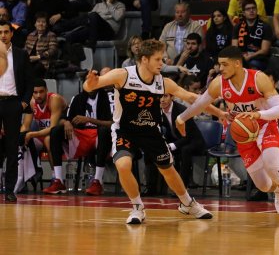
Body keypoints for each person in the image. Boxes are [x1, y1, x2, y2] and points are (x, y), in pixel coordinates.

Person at [83, 39, 222, 224]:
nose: (162, 63)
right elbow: (91, 86)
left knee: (168, 169)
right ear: (144, 59)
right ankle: (137, 207)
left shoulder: (163, 83)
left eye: (162, 59)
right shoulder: (122, 75)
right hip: (125, 130)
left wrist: (220, 112)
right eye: (158, 59)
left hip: (151, 131)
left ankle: (188, 204)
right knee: (123, 165)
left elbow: (192, 97)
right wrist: (89, 84)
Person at [175, 46, 279, 227]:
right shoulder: (219, 83)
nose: (221, 68)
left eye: (224, 65)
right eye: (219, 65)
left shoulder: (259, 79)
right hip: (244, 134)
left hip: (265, 126)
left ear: (237, 64)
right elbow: (200, 103)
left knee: (273, 167)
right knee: (264, 185)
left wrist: (258, 115)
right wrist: (181, 118)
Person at [45, 85, 113, 195]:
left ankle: (97, 181)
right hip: (80, 136)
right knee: (55, 131)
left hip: (99, 136)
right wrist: (67, 122)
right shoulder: (77, 98)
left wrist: (89, 119)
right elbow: (66, 119)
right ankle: (58, 181)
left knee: (104, 131)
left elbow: (111, 124)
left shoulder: (107, 98)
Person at [0, 20, 33, 202]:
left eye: (6, 32)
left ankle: (10, 190)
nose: (3, 35)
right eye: (0, 32)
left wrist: (23, 103)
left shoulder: (21, 54)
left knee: (12, 148)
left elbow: (29, 81)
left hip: (13, 103)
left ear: (11, 34)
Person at [20, 78, 67, 181]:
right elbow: (26, 126)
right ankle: (25, 178)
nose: (38, 95)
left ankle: (56, 177)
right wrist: (19, 136)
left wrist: (31, 134)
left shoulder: (54, 99)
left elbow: (52, 128)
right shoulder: (32, 103)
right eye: (35, 92)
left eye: (41, 92)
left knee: (48, 139)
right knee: (22, 141)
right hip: (41, 134)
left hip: (61, 135)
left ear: (46, 90)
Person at [160, 93, 206, 188]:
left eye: (165, 96)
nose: (162, 100)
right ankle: (157, 187)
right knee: (159, 149)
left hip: (194, 141)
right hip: (178, 141)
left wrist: (172, 146)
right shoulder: (157, 110)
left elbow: (188, 136)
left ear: (172, 97)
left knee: (185, 150)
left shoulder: (182, 110)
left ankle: (182, 186)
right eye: (160, 96)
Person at [232, 0, 272, 70]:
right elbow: (234, 48)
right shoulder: (237, 27)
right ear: (244, 13)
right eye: (248, 9)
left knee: (251, 65)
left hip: (259, 59)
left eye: (253, 8)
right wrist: (242, 57)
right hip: (241, 58)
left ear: (257, 10)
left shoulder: (265, 26)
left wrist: (250, 56)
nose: (251, 11)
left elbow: (265, 50)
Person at [25, 12, 58, 78]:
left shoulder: (51, 35)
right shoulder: (30, 35)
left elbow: (52, 50)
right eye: (38, 21)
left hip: (43, 63)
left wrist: (38, 57)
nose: (41, 24)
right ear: (35, 24)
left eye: (43, 22)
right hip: (29, 62)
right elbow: (25, 50)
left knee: (36, 68)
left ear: (46, 24)